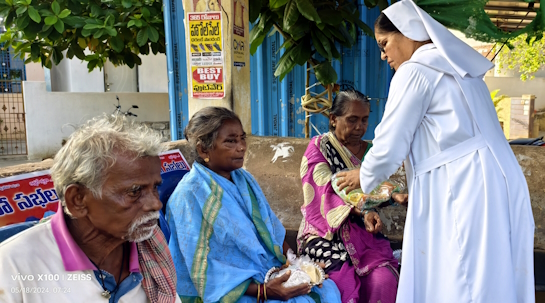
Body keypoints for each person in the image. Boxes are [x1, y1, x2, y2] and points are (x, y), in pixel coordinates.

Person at [336, 1, 535, 302]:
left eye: (385, 43)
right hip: (493, 180)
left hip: (461, 184)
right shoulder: (459, 68)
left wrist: (364, 175)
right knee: (488, 272)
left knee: (461, 274)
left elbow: (391, 141)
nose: (383, 54)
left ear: (409, 32)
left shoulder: (416, 69)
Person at [166, 107, 341, 303]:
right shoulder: (189, 195)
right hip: (229, 292)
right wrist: (263, 292)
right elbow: (202, 270)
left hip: (265, 271)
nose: (241, 147)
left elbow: (271, 230)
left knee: (326, 290)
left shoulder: (243, 179)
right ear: (203, 149)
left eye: (242, 138)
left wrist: (298, 264)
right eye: (231, 141)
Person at [0, 115, 181, 303]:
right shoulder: (12, 265)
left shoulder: (151, 249)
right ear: (77, 200)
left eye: (155, 188)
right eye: (135, 191)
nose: (155, 204)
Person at [297, 90, 406, 303]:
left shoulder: (373, 154)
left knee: (383, 280)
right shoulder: (320, 148)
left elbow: (377, 189)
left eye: (364, 120)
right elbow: (326, 188)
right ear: (333, 119)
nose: (359, 127)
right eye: (352, 120)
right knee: (343, 283)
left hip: (364, 234)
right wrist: (365, 210)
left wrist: (395, 195)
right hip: (324, 235)